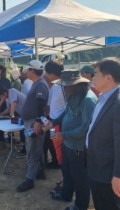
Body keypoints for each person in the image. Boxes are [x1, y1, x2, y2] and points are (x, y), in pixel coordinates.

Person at [50, 69, 97, 210]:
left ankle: (81, 205)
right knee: (67, 172)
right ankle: (66, 195)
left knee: (80, 178)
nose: (64, 88)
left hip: (78, 147)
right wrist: (53, 122)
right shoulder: (72, 94)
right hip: (68, 143)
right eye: (63, 85)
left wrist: (63, 135)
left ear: (77, 84)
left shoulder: (88, 100)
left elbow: (85, 129)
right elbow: (66, 112)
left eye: (67, 85)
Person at [86, 57, 120, 210]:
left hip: (108, 173)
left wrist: (117, 175)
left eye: (96, 73)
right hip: (97, 166)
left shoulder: (118, 102)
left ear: (108, 77)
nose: (93, 77)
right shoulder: (103, 97)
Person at [17, 60, 49, 192]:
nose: (26, 72)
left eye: (28, 69)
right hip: (32, 121)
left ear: (32, 70)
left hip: (34, 122)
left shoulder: (40, 85)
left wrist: (37, 121)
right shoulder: (38, 83)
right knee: (37, 148)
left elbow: (42, 105)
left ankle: (30, 179)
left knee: (32, 149)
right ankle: (40, 171)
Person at [44, 59, 66, 168]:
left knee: (59, 148)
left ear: (51, 74)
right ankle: (58, 163)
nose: (47, 76)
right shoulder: (56, 85)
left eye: (47, 74)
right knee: (56, 147)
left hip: (58, 123)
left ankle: (61, 166)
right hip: (53, 122)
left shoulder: (61, 86)